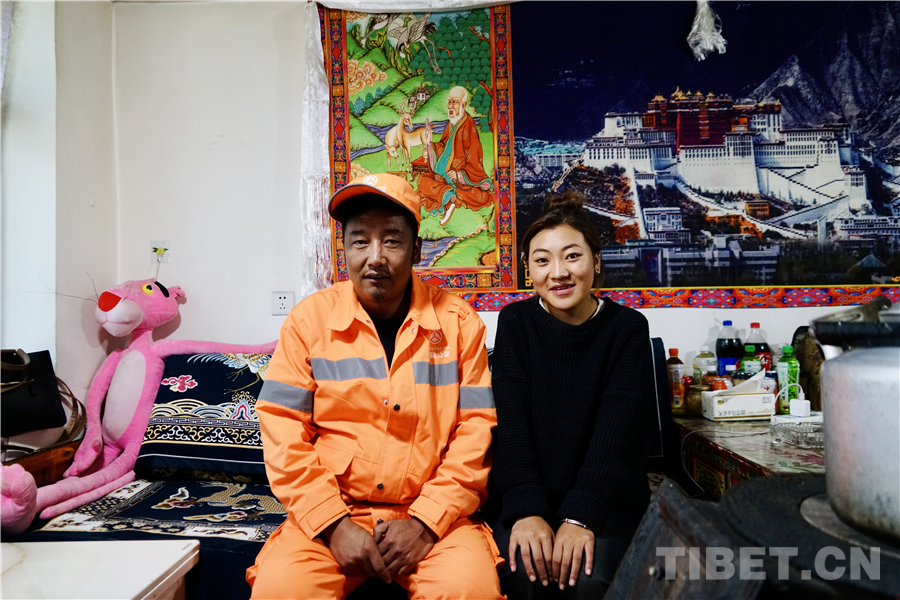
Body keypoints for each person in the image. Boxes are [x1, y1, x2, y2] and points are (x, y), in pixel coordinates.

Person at [247, 173, 503, 599]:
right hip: (334, 511)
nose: (375, 257)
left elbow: (476, 433)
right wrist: (332, 524)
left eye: (392, 240)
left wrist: (425, 523)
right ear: (344, 249)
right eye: (360, 241)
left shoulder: (460, 325)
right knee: (281, 591)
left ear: (416, 249)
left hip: (432, 516)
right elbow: (283, 431)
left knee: (468, 591)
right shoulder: (308, 323)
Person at [489, 190, 652, 599]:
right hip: (529, 497)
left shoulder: (627, 329)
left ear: (596, 262)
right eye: (543, 260)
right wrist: (527, 510)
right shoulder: (516, 323)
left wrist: (580, 518)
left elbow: (616, 436)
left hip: (605, 502)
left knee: (589, 580)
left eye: (572, 256)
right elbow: (510, 425)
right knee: (522, 573)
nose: (558, 273)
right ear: (530, 271)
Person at [418, 86, 494, 225]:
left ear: (463, 105)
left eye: (455, 102)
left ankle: (450, 198)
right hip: (443, 174)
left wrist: (459, 174)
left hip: (457, 177)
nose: (451, 106)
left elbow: (474, 158)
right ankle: (449, 196)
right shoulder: (452, 122)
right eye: (449, 102)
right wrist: (429, 143)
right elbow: (443, 144)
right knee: (422, 180)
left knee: (474, 195)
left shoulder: (468, 125)